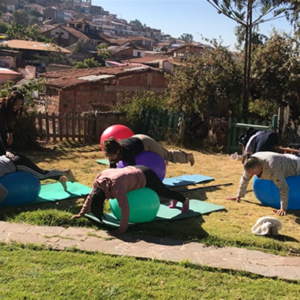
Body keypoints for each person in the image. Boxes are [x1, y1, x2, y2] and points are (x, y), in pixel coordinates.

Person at [70, 165, 189, 236]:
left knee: (163, 192)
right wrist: (81, 214)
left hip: (145, 175)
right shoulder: (98, 183)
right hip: (132, 170)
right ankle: (175, 199)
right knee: (164, 191)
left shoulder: (116, 186)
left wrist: (121, 230)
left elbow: (125, 207)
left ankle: (184, 200)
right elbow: (90, 198)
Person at [225, 151, 300, 216]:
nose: (254, 176)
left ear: (260, 166)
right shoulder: (250, 162)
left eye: (255, 173)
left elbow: (284, 188)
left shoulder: (272, 167)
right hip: (282, 159)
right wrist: (239, 196)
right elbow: (245, 179)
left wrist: (283, 208)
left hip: (295, 165)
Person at [102, 134, 195, 168]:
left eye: (111, 155)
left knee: (167, 155)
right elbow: (112, 171)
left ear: (116, 151)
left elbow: (134, 172)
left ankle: (188, 157)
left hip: (145, 142)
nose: (110, 158)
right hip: (135, 140)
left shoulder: (127, 152)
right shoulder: (113, 154)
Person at [0, 151, 76, 192]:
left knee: (41, 175)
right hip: (11, 159)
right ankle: (60, 178)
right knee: (40, 173)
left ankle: (66, 172)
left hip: (18, 163)